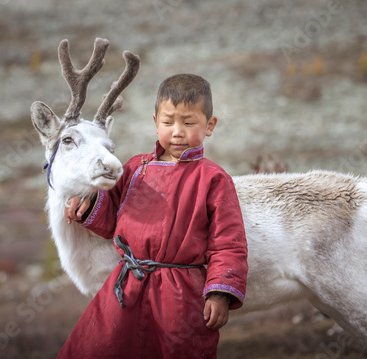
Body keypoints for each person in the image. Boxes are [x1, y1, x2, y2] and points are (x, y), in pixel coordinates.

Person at [59, 74, 248, 359]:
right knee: (99, 347)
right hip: (128, 286)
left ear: (209, 126)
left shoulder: (213, 179)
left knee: (178, 351)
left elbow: (228, 243)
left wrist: (220, 292)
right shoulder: (136, 168)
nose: (177, 132)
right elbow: (112, 219)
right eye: (168, 122)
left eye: (189, 122)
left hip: (181, 294)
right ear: (155, 122)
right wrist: (88, 206)